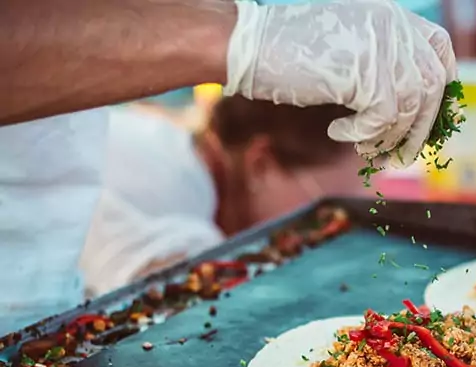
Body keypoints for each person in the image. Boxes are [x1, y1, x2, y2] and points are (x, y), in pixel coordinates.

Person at [0, 0, 457, 336]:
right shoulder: (167, 174)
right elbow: (117, 247)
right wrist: (243, 39)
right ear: (260, 162)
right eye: (329, 202)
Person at [80, 98, 362, 296]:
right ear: (260, 165)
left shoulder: (168, 147)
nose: (328, 230)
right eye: (326, 209)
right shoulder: (172, 192)